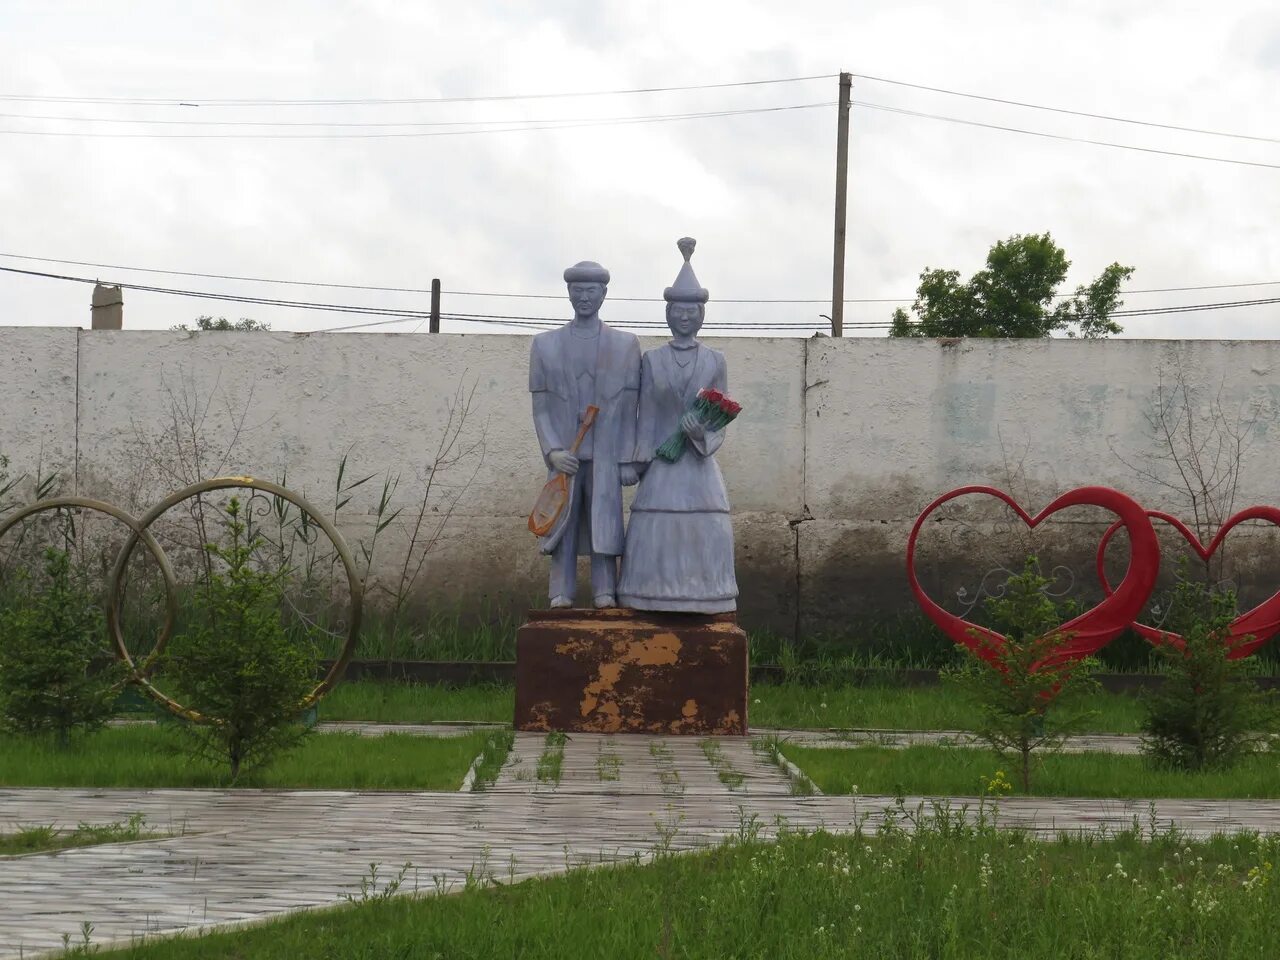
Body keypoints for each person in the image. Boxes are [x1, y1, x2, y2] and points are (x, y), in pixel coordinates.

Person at [618, 238, 737, 613]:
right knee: (657, 528)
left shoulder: (715, 360)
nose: (685, 317)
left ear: (701, 314)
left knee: (705, 527)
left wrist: (702, 433)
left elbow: (722, 416)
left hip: (699, 465)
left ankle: (704, 594)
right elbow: (646, 414)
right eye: (678, 311)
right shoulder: (652, 360)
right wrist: (639, 459)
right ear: (668, 313)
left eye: (692, 311)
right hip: (663, 465)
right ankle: (652, 592)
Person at [529, 260, 641, 608]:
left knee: (604, 524)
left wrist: (627, 458)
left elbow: (630, 409)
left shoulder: (625, 346)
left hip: (606, 453)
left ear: (604, 294)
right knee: (564, 519)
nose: (584, 297)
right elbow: (541, 409)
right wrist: (552, 451)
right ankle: (560, 590)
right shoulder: (545, 346)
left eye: (591, 291)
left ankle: (605, 589)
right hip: (567, 454)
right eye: (577, 290)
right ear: (568, 293)